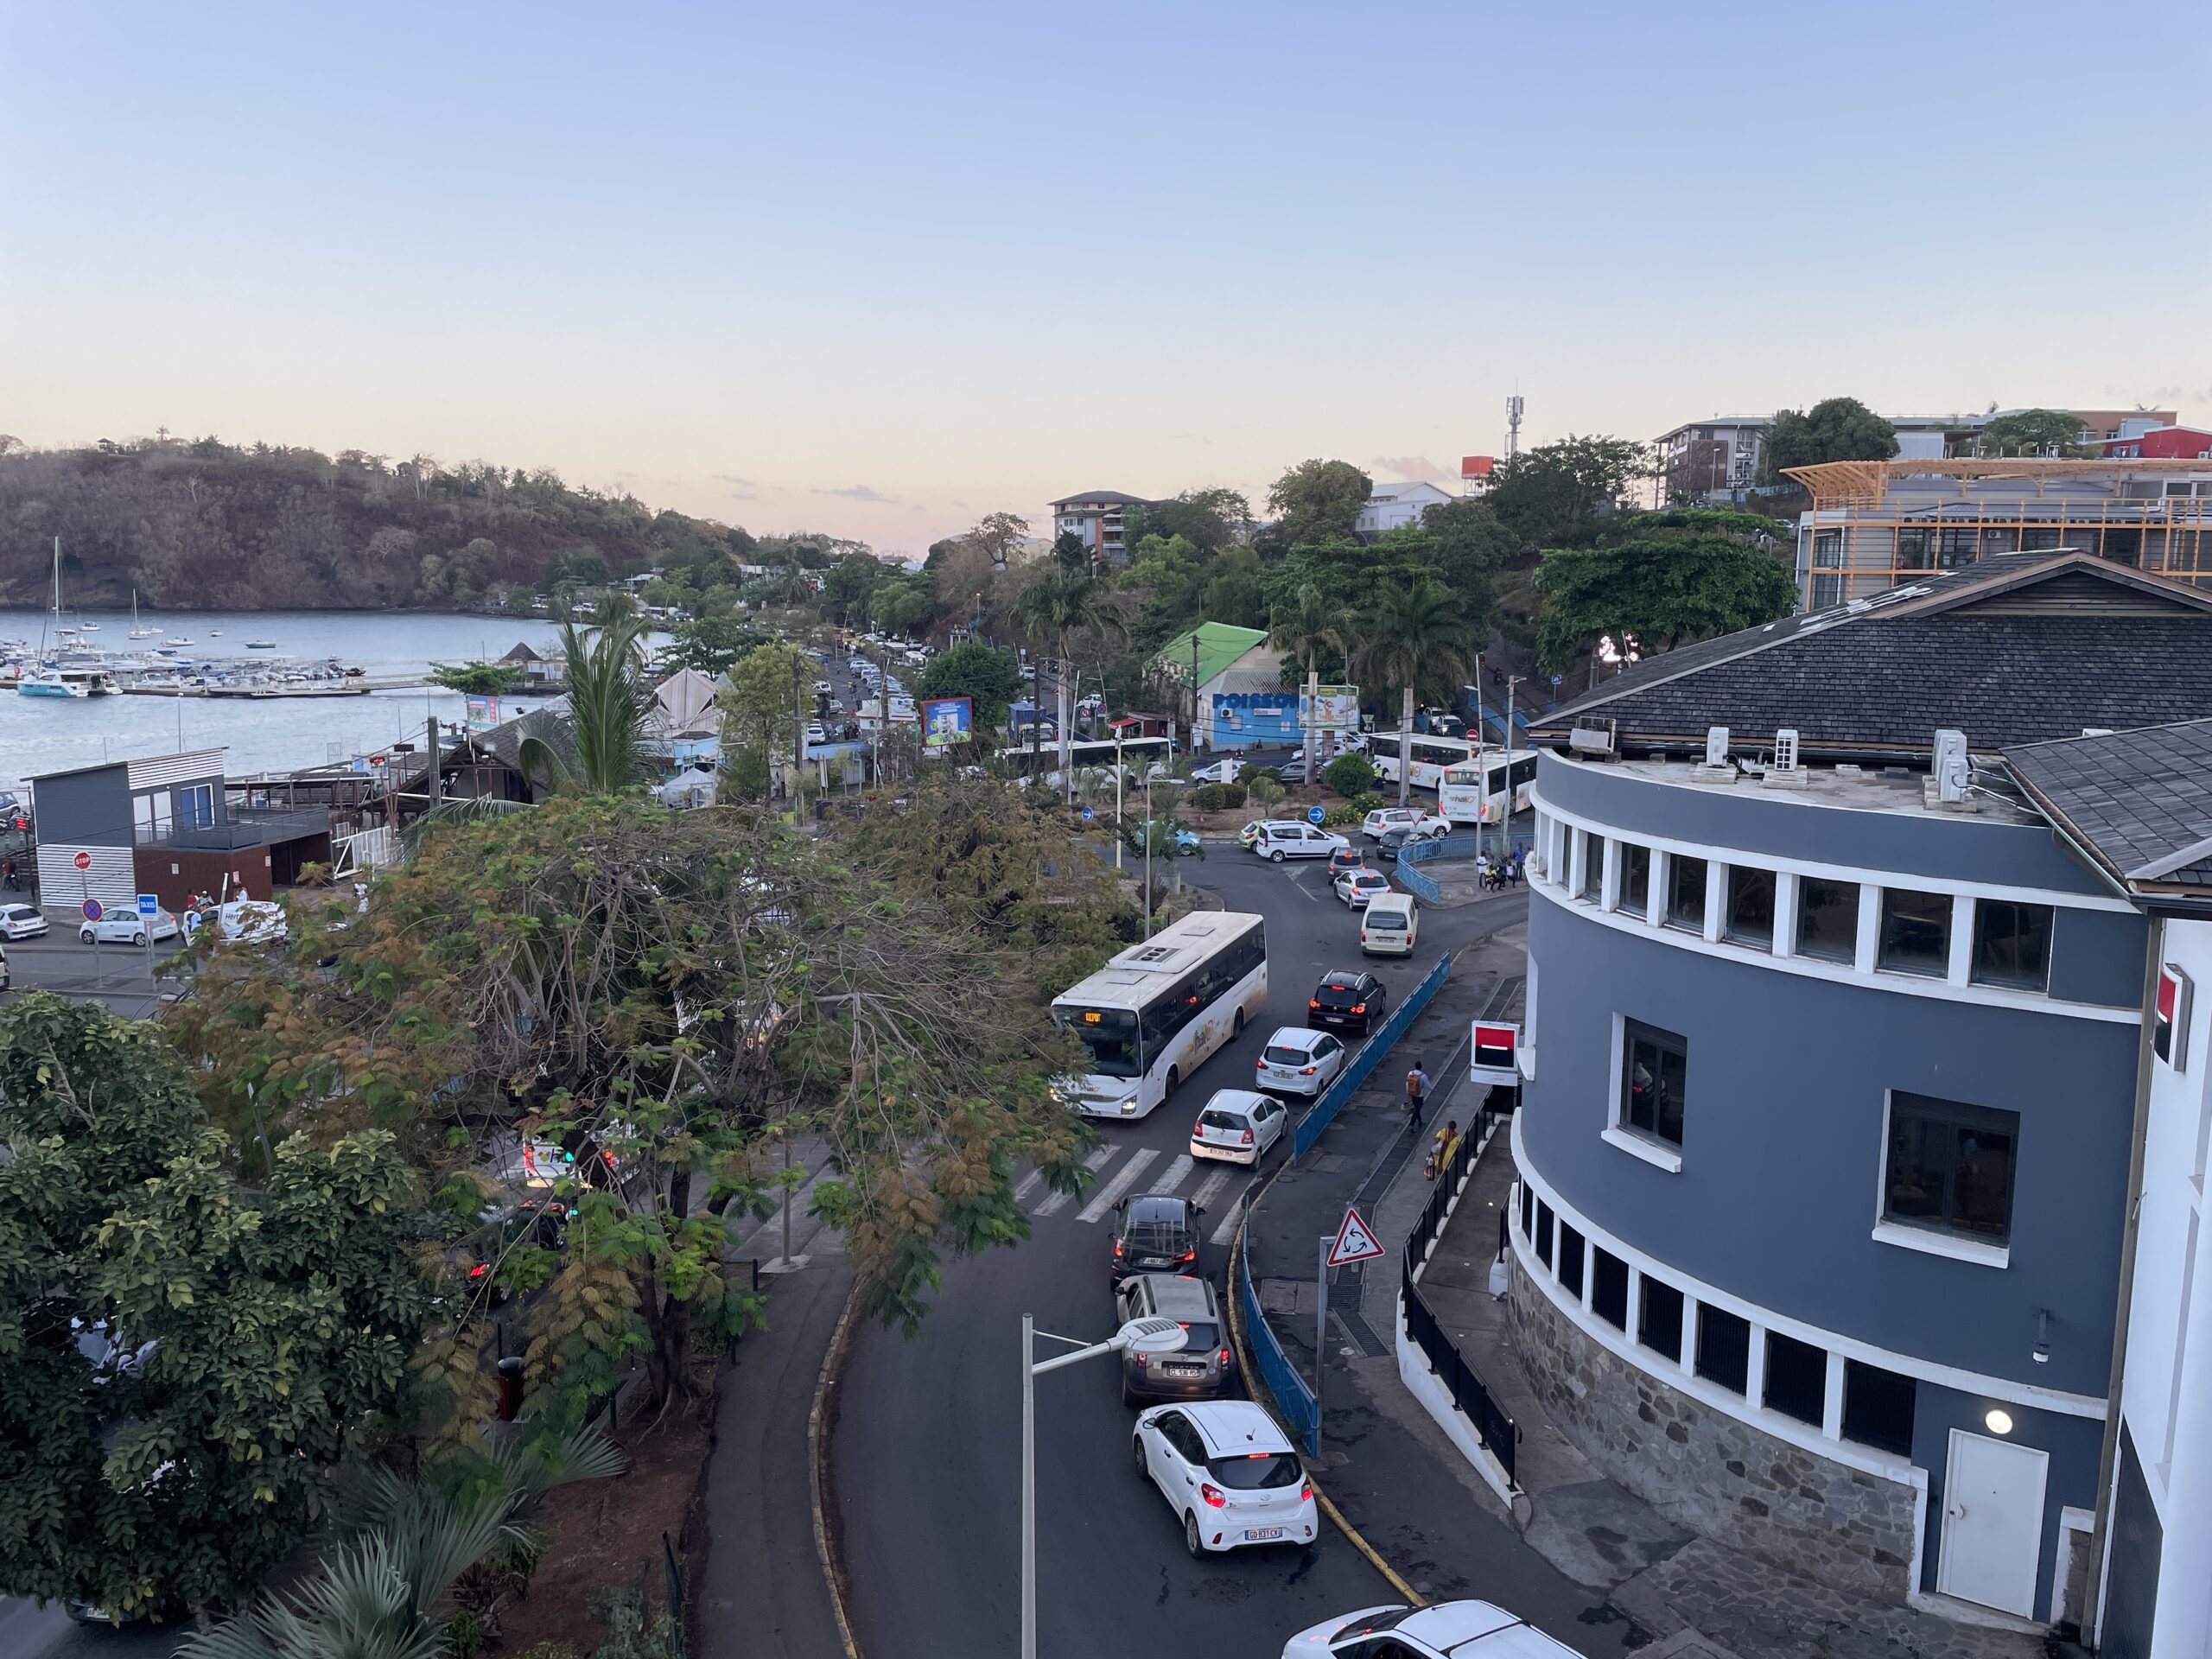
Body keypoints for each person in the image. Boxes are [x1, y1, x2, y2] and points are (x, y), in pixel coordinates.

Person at [1404, 1058, 1432, 1130]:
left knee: (1416, 1108)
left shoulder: (1411, 1073)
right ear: (1421, 1067)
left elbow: (1408, 1083)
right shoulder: (1423, 1076)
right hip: (1420, 1095)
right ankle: (1411, 1124)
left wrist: (1408, 1092)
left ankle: (1420, 1121)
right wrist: (1431, 1089)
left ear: (1415, 1066)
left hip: (1413, 1094)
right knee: (1417, 1109)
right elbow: (1427, 1086)